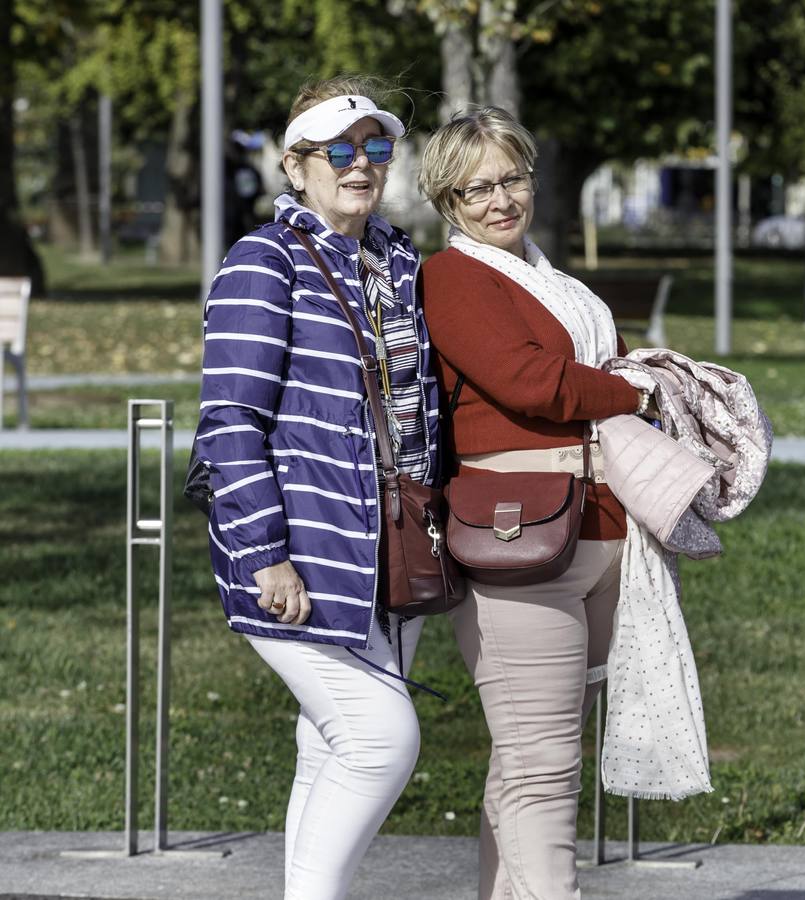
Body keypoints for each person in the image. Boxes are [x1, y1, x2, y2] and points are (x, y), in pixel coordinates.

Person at [191, 76, 440, 900]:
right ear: (297, 166)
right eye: (339, 149)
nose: (360, 164)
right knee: (379, 739)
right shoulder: (264, 262)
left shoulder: (397, 262)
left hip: (386, 557)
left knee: (328, 747)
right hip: (299, 556)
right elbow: (230, 421)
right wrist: (266, 557)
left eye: (376, 146)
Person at [417, 106, 649, 900]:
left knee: (530, 761)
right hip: (520, 540)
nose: (498, 199)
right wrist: (635, 390)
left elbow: (583, 373)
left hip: (600, 533)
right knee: (542, 767)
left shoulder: (556, 282)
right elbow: (531, 382)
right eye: (475, 187)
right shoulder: (453, 277)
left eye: (511, 177)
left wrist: (625, 387)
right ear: (447, 200)